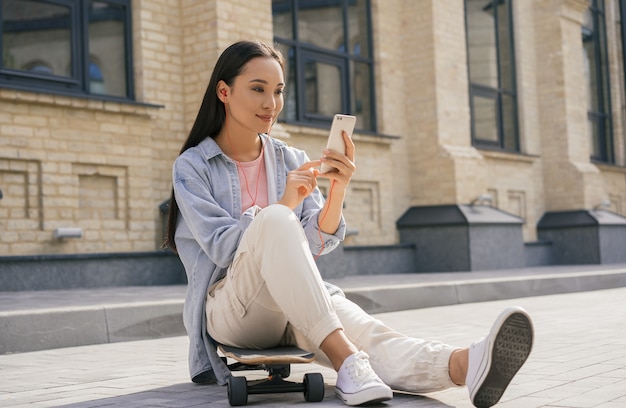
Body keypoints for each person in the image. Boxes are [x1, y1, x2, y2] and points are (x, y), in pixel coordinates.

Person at [164, 40, 534, 407]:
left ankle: (465, 365)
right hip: (232, 311)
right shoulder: (193, 167)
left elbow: (313, 246)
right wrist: (285, 205)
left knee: (368, 334)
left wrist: (338, 189)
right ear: (224, 92)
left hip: (291, 302)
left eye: (278, 91)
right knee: (276, 219)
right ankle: (346, 362)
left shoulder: (291, 158)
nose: (271, 104)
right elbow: (222, 247)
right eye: (257, 89)